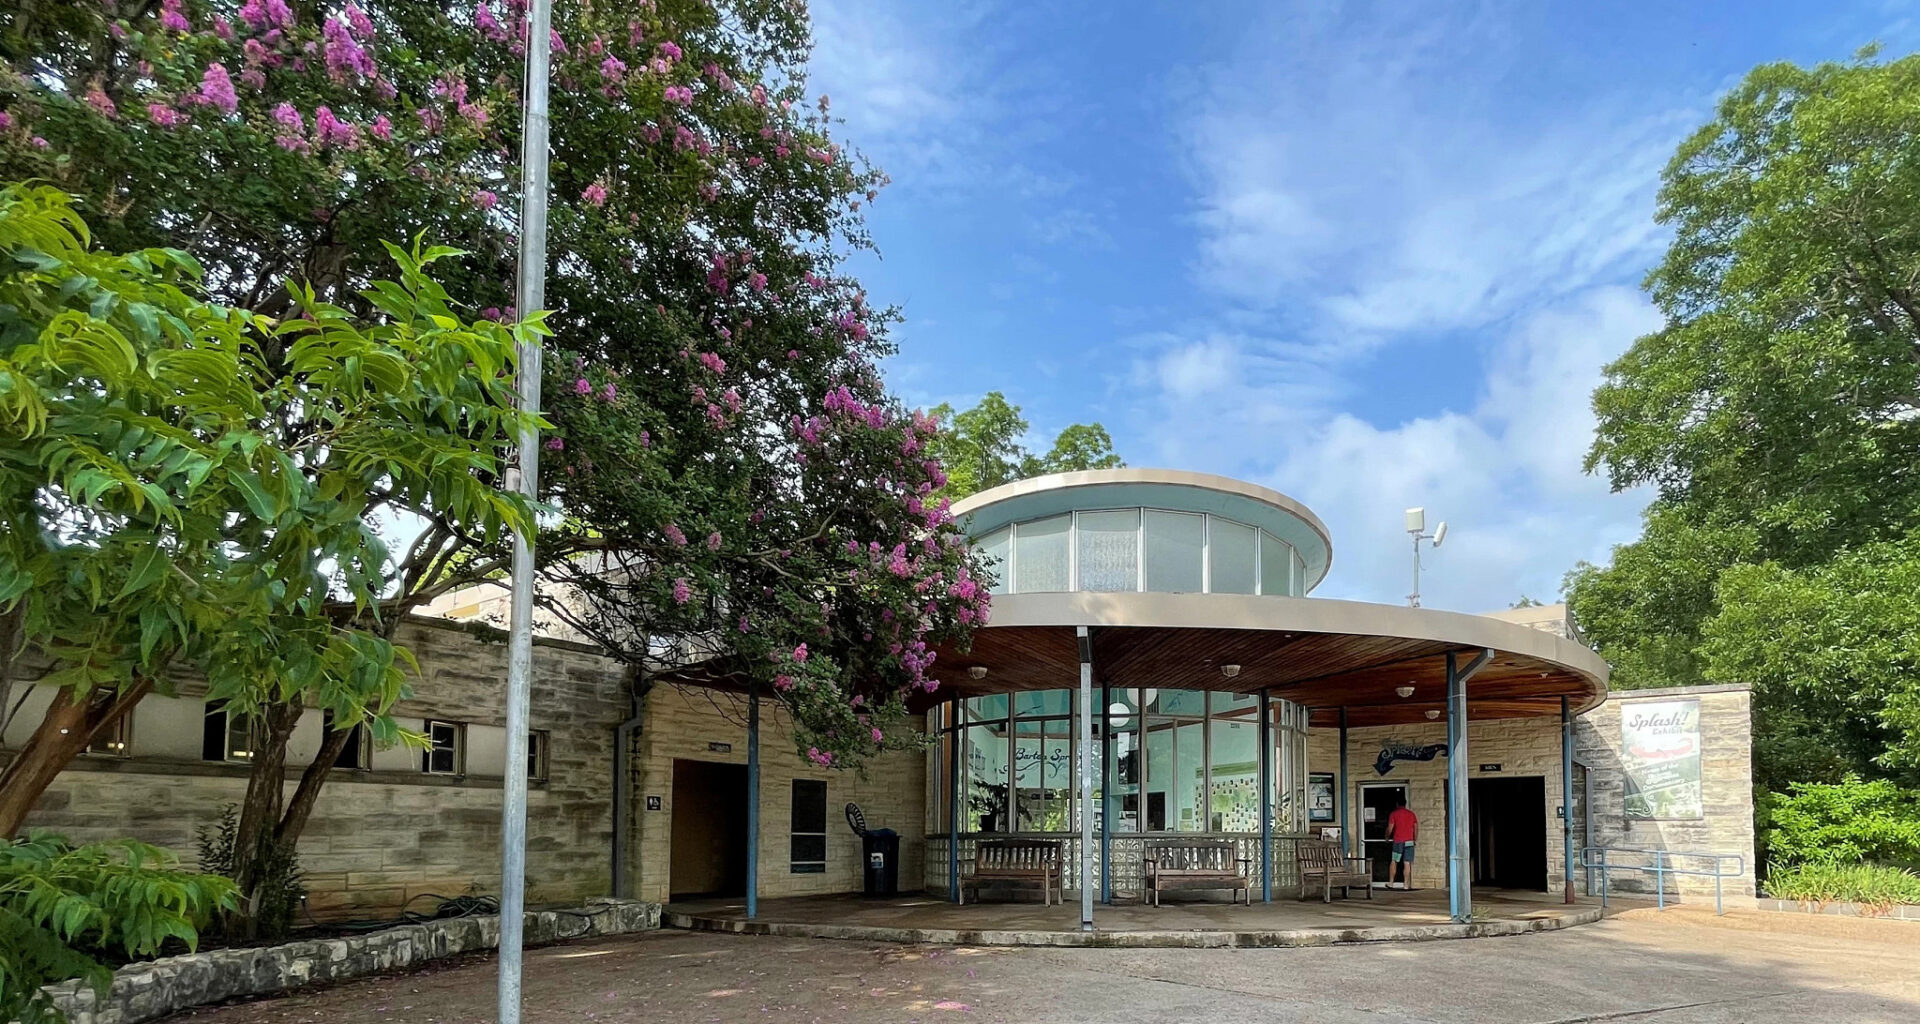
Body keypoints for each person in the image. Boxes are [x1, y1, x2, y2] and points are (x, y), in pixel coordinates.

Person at [1385, 794, 1417, 890]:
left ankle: (1391, 883)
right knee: (1407, 863)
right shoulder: (1411, 814)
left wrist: (1387, 836)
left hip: (1398, 840)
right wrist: (1414, 839)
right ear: (1405, 803)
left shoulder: (1394, 814)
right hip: (1409, 841)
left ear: (1397, 804)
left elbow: (1390, 828)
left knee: (1394, 861)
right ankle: (1406, 885)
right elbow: (1416, 827)